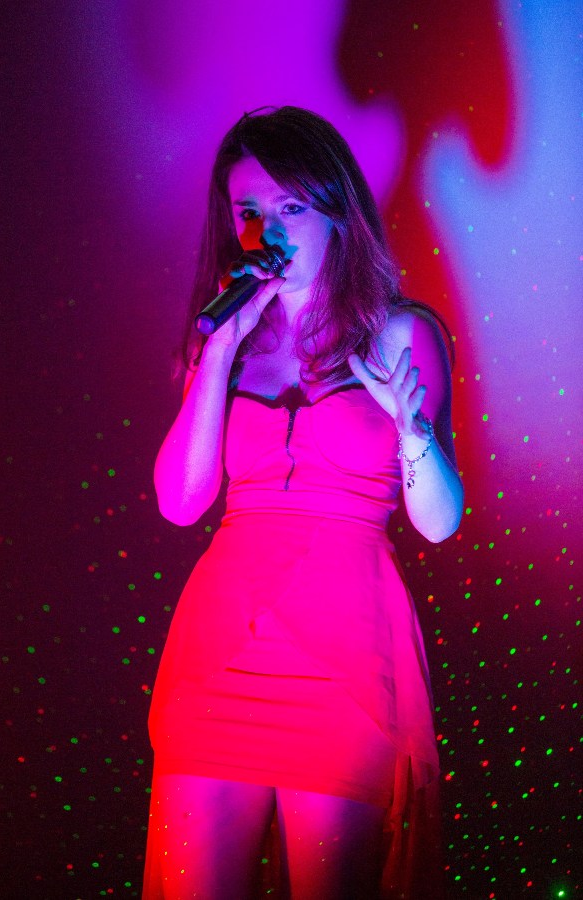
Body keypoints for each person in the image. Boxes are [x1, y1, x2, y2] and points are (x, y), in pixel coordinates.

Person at [143, 106, 463, 900]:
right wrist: (216, 354)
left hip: (345, 665)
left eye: (291, 207)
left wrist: (413, 431)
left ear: (335, 213)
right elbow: (181, 503)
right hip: (218, 659)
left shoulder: (400, 333)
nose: (269, 230)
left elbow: (437, 521)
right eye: (249, 210)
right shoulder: (223, 342)